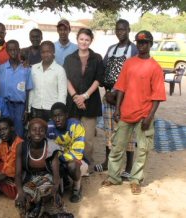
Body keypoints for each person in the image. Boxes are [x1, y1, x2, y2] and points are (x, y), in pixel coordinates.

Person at [101, 30, 166, 195]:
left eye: (145, 42)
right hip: (126, 113)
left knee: (142, 150)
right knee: (117, 147)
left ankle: (136, 180)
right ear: (136, 44)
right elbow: (121, 87)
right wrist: (117, 109)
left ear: (150, 44)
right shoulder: (129, 63)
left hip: (144, 115)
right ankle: (114, 177)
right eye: (139, 42)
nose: (142, 45)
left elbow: (157, 96)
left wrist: (149, 117)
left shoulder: (155, 67)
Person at [94, 19, 138, 178]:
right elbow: (105, 68)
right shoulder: (112, 49)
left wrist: (120, 96)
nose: (120, 32)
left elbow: (135, 77)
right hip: (109, 96)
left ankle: (128, 167)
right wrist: (108, 92)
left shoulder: (134, 50)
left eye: (123, 29)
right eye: (117, 30)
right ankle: (107, 162)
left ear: (128, 30)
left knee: (128, 133)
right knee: (109, 131)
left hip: (127, 98)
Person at [15, 118, 73, 217]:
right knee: (21, 202)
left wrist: (54, 190)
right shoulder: (21, 147)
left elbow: (56, 174)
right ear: (29, 132)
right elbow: (18, 174)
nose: (37, 132)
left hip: (48, 178)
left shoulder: (51, 146)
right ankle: (40, 210)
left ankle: (42, 208)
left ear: (45, 133)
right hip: (30, 179)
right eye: (34, 130)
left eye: (41, 130)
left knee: (43, 191)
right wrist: (20, 192)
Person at [63, 28, 104, 163]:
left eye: (87, 39)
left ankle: (86, 165)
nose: (84, 42)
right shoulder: (69, 59)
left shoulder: (97, 58)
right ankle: (72, 164)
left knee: (88, 138)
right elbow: (66, 79)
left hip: (90, 103)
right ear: (77, 39)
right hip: (73, 103)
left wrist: (84, 96)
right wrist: (76, 97)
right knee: (73, 135)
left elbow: (98, 79)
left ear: (91, 41)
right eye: (81, 39)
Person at [47, 102, 87, 203]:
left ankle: (77, 187)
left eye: (60, 115)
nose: (57, 119)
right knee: (50, 163)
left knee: (72, 166)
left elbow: (77, 154)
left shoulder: (76, 126)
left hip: (76, 160)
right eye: (54, 116)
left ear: (66, 115)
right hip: (59, 159)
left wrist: (58, 159)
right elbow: (48, 151)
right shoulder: (49, 127)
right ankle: (62, 183)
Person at [0, 40, 33, 137]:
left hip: (20, 107)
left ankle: (17, 151)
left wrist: (26, 110)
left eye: (15, 49)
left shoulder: (26, 69)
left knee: (19, 134)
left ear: (19, 50)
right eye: (10, 50)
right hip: (4, 105)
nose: (13, 52)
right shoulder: (1, 69)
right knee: (5, 134)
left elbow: (28, 91)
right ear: (7, 51)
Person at [28, 41, 67, 122]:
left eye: (48, 52)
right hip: (36, 108)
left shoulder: (59, 70)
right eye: (43, 52)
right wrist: (29, 108)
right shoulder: (34, 69)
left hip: (52, 110)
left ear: (53, 52)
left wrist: (60, 111)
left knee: (51, 133)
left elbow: (62, 92)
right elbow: (31, 90)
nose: (46, 54)